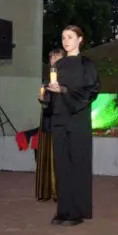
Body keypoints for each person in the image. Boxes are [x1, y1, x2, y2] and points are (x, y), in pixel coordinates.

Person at [46, 26, 100, 226]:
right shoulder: (58, 65)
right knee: (61, 165)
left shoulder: (87, 64)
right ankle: (63, 210)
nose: (65, 41)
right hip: (59, 119)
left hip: (77, 119)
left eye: (70, 37)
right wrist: (46, 95)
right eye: (63, 37)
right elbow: (52, 92)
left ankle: (77, 212)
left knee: (78, 164)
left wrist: (65, 90)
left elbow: (92, 90)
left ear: (80, 39)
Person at [35, 48, 66, 202]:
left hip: (59, 120)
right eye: (51, 57)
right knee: (45, 156)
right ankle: (45, 191)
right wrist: (42, 97)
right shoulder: (47, 79)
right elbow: (47, 99)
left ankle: (58, 191)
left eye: (57, 57)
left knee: (58, 155)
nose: (53, 59)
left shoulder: (66, 78)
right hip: (47, 120)